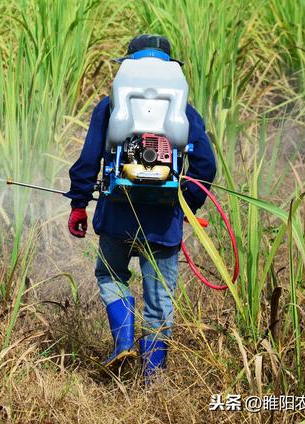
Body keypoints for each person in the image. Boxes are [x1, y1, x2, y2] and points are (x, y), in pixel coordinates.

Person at [65, 34, 217, 383]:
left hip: (117, 218)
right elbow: (205, 167)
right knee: (160, 299)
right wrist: (183, 204)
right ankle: (153, 379)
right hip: (164, 226)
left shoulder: (111, 107)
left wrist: (78, 205)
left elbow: (88, 161)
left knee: (110, 276)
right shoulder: (185, 113)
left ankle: (122, 345)